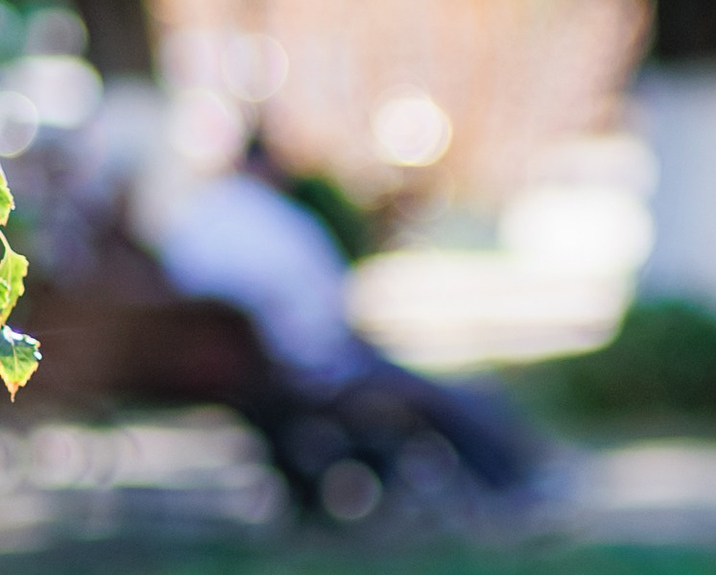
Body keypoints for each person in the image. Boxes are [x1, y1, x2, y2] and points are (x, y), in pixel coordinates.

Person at [146, 144, 539, 517]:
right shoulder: (261, 219)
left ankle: (513, 482)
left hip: (285, 362)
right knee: (454, 400)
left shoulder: (205, 220)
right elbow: (320, 303)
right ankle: (514, 491)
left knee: (448, 396)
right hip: (313, 365)